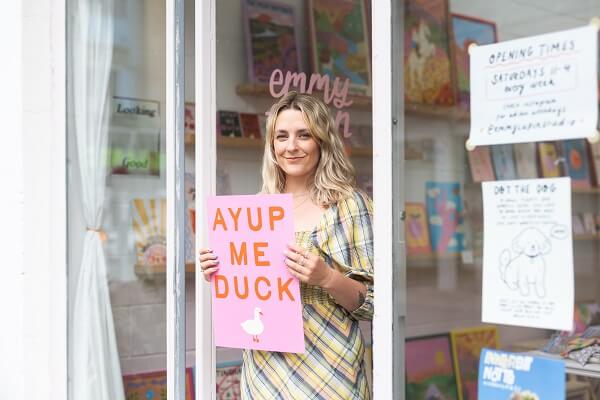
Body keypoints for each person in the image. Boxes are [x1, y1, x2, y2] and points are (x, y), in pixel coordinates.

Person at [199, 91, 374, 399]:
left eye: (303, 135)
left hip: (331, 371)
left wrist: (327, 278)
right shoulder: (254, 212)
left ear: (322, 141)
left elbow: (375, 303)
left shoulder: (349, 205)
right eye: (281, 136)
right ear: (271, 146)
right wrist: (219, 269)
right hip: (265, 372)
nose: (291, 146)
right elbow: (246, 297)